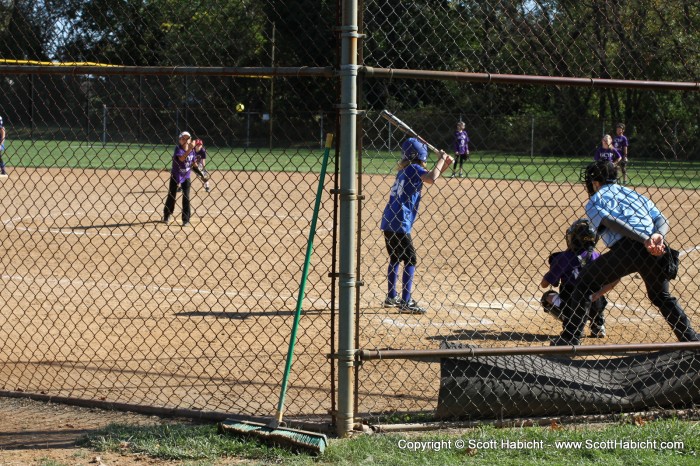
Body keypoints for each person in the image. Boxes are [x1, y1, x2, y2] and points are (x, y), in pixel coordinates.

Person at [552, 160, 700, 346]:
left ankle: (570, 339)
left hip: (628, 249)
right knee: (661, 296)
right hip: (656, 249)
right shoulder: (634, 194)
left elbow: (611, 221)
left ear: (596, 183)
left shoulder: (594, 201)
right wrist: (657, 235)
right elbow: (661, 218)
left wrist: (644, 239)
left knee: (584, 283)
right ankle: (691, 339)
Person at [380, 137, 453, 314]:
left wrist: (445, 163)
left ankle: (391, 296)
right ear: (421, 154)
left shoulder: (405, 169)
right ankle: (406, 301)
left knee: (396, 257)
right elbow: (431, 179)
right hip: (400, 222)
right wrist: (442, 159)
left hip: (389, 220)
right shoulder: (414, 168)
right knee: (410, 259)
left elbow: (431, 176)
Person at [540, 218, 618, 338]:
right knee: (594, 292)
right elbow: (615, 278)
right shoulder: (598, 257)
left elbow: (545, 284)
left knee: (546, 297)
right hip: (594, 302)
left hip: (570, 304)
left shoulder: (562, 258)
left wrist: (555, 267)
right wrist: (599, 294)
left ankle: (572, 324)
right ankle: (598, 323)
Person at [163, 131, 197, 227]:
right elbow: (181, 158)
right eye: (183, 138)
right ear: (180, 140)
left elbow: (194, 164)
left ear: (190, 140)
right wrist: (190, 149)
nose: (185, 140)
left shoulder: (192, 150)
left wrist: (200, 171)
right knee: (172, 195)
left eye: (187, 138)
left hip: (186, 176)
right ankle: (167, 215)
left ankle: (186, 219)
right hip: (176, 174)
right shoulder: (178, 148)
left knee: (186, 196)